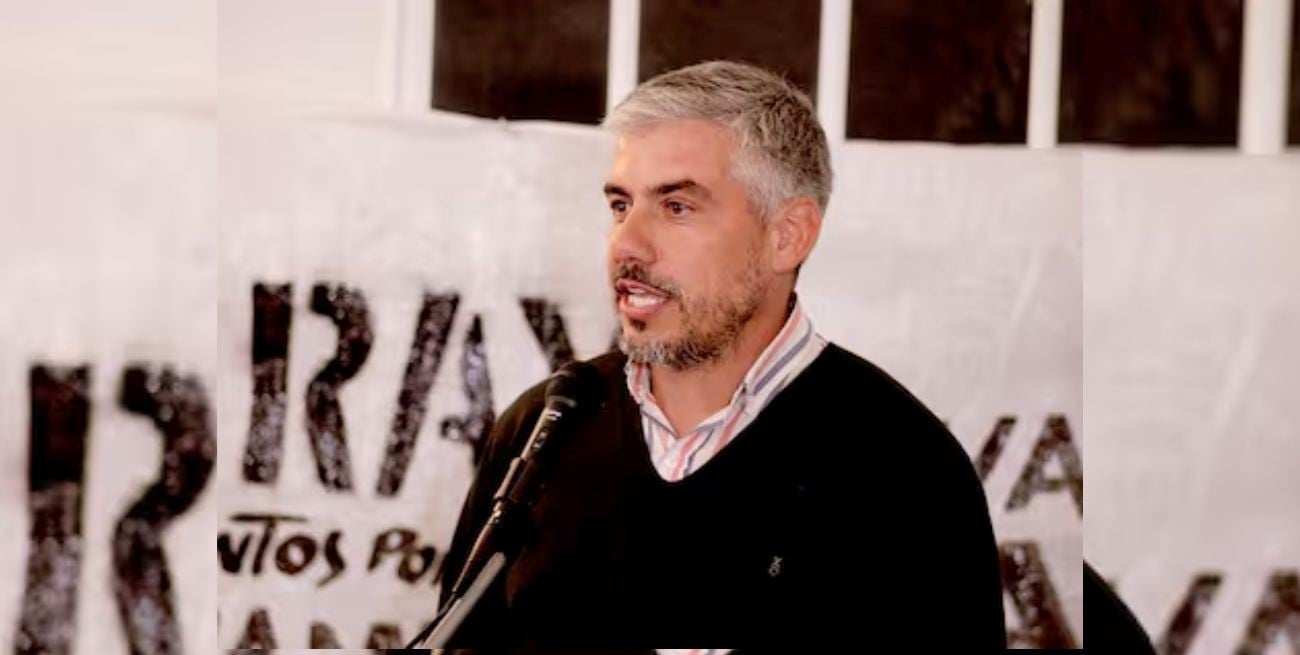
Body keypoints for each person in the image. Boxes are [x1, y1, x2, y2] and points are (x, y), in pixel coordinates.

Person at [434, 61, 1006, 652]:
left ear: (788, 235)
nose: (627, 244)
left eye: (676, 207)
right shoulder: (544, 432)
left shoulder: (906, 469)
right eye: (621, 206)